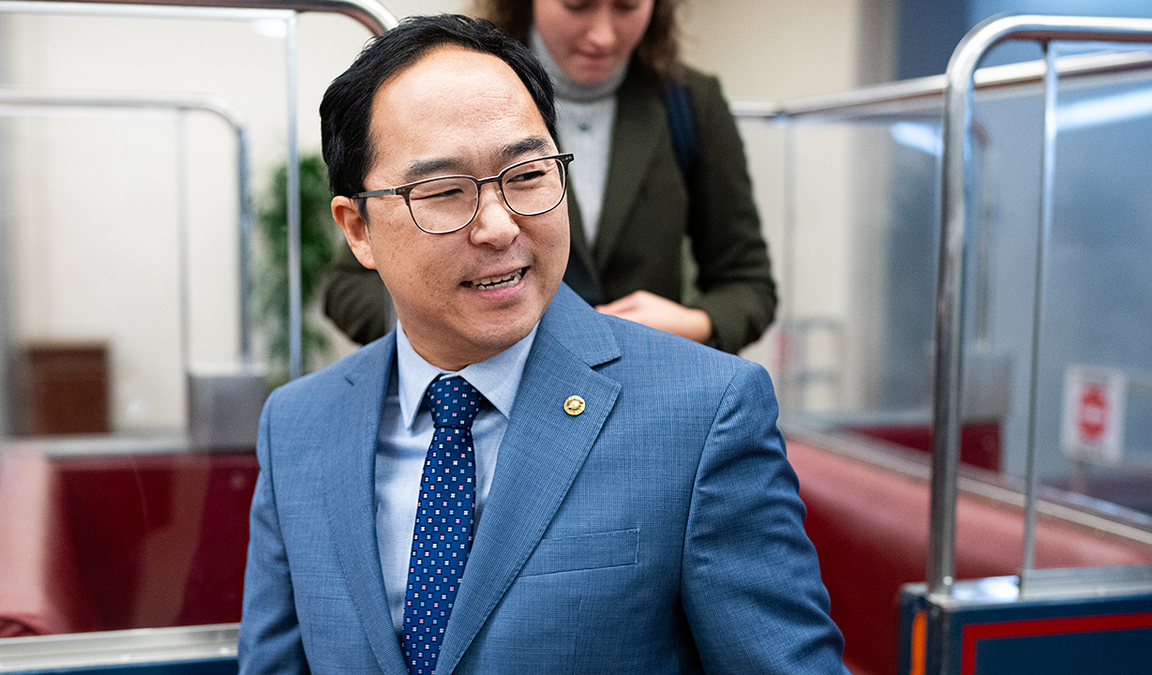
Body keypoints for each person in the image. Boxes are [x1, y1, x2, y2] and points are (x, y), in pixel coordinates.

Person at [238, 14, 847, 675]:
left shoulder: (704, 418)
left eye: (527, 175)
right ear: (357, 228)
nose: (500, 226)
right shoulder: (297, 426)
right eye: (445, 192)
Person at [323, 0, 776, 354]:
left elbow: (747, 281)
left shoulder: (690, 105)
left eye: (628, 6)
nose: (602, 34)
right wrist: (461, 328)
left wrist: (696, 325)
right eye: (576, 6)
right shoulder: (457, 94)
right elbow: (349, 287)